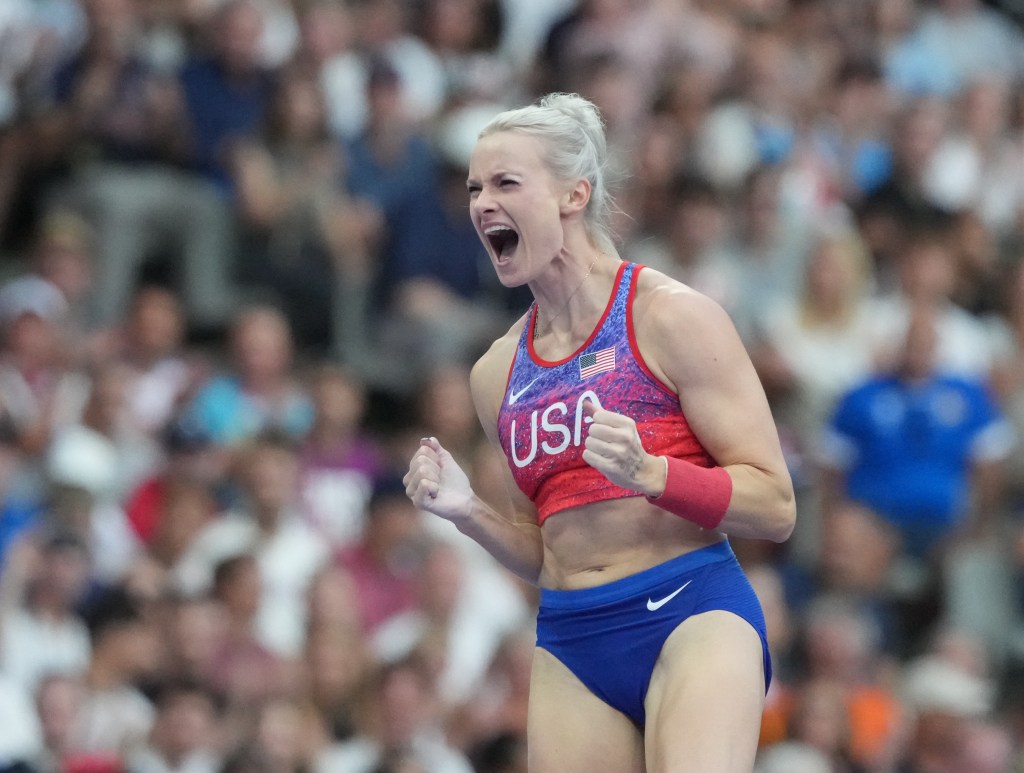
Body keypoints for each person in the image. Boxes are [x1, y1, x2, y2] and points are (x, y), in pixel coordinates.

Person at [403, 92, 796, 772]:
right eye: (474, 188)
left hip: (691, 608)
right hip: (573, 637)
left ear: (573, 194)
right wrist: (468, 512)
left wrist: (655, 475)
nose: (481, 204)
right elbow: (548, 548)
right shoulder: (496, 373)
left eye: (505, 183)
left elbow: (775, 505)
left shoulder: (669, 316)